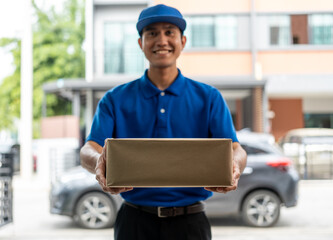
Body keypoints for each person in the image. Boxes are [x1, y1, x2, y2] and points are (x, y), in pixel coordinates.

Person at [80, 4, 247, 240]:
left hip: (191, 223)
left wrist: (235, 166)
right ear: (141, 43)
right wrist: (99, 162)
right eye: (152, 33)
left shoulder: (209, 97)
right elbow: (90, 147)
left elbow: (235, 148)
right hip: (134, 223)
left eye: (170, 32)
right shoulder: (114, 99)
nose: (161, 40)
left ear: (183, 41)